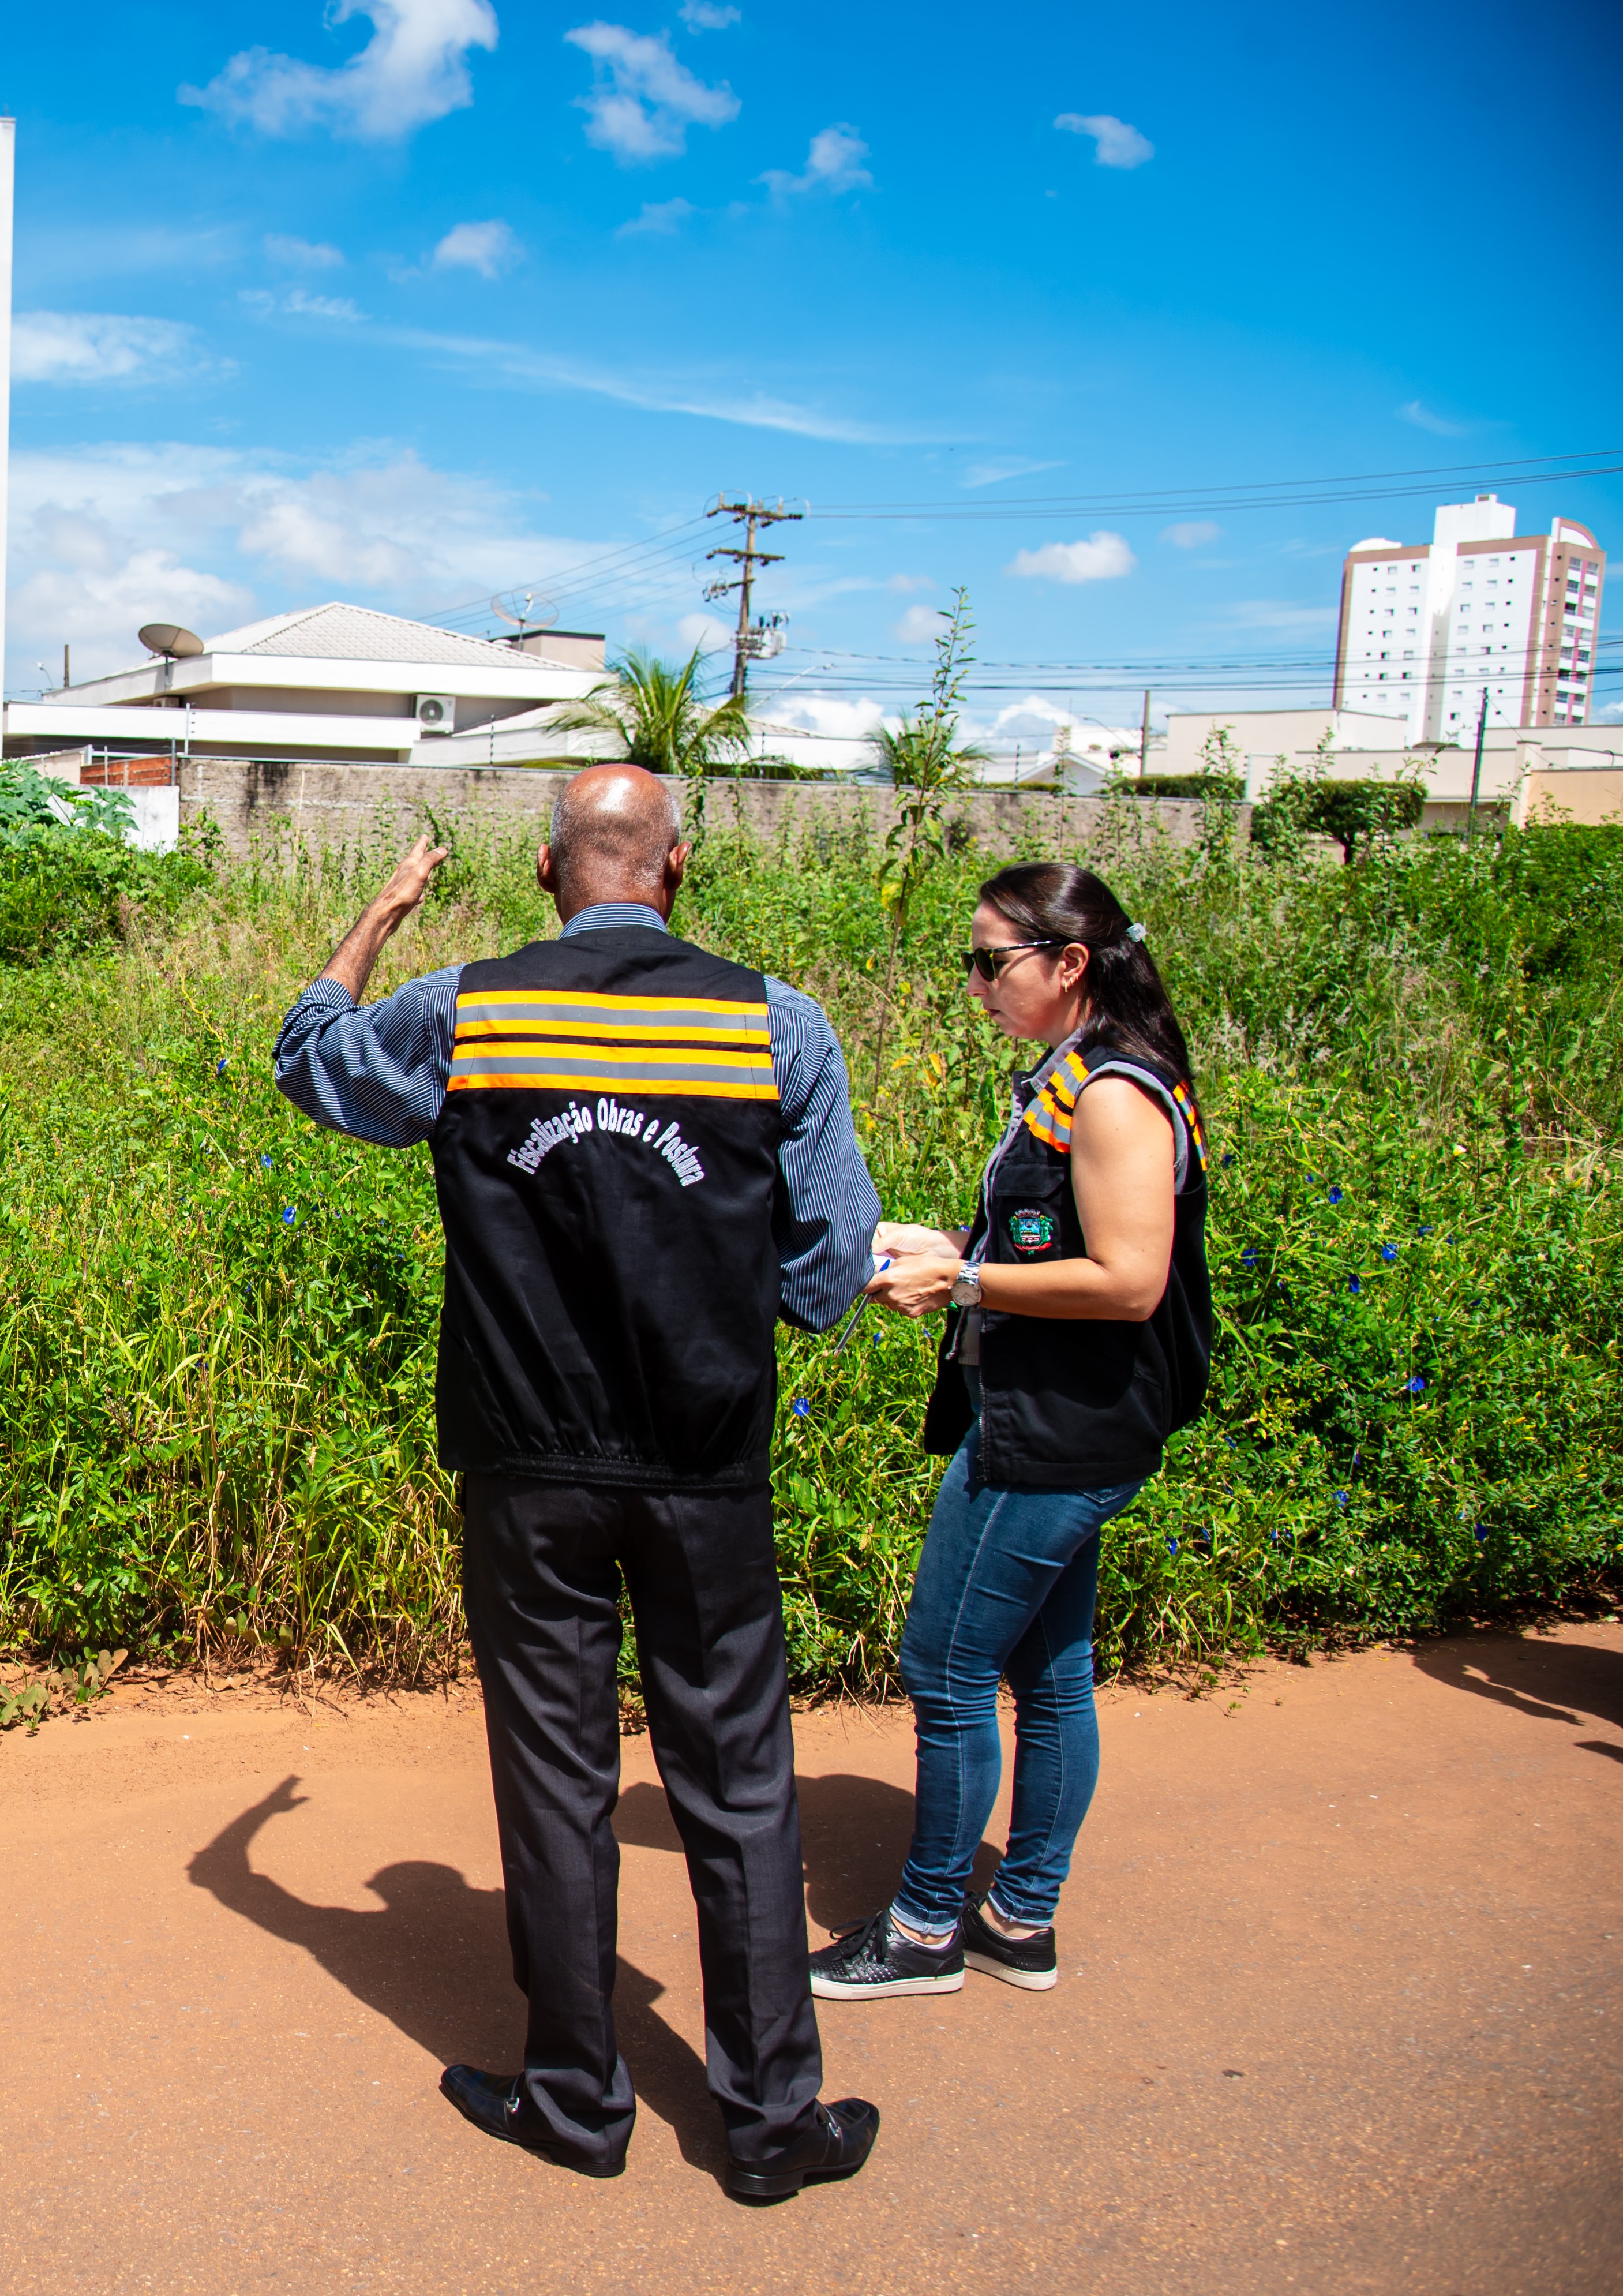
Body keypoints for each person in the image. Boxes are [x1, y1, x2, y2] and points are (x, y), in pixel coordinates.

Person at [271, 765, 884, 2203]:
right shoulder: (771, 1026)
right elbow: (829, 1261)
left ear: (550, 873)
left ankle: (573, 2100)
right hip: (703, 1465)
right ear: (674, 871)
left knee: (553, 1777)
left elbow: (313, 1057)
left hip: (525, 1465)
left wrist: (376, 915)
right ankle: (769, 2122)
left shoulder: (468, 1010)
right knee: (735, 1779)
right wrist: (733, 1315)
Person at [809, 862, 1213, 2002]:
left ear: (1067, 963)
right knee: (1051, 1673)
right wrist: (948, 1248)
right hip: (1061, 1414)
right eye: (971, 962)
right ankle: (1019, 1915)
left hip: (1057, 1433)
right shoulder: (1074, 1074)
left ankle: (928, 1926)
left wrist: (967, 1281)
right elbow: (1058, 1245)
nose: (976, 982)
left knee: (943, 1665)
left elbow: (1128, 1279)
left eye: (993, 961)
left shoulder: (1112, 1092)